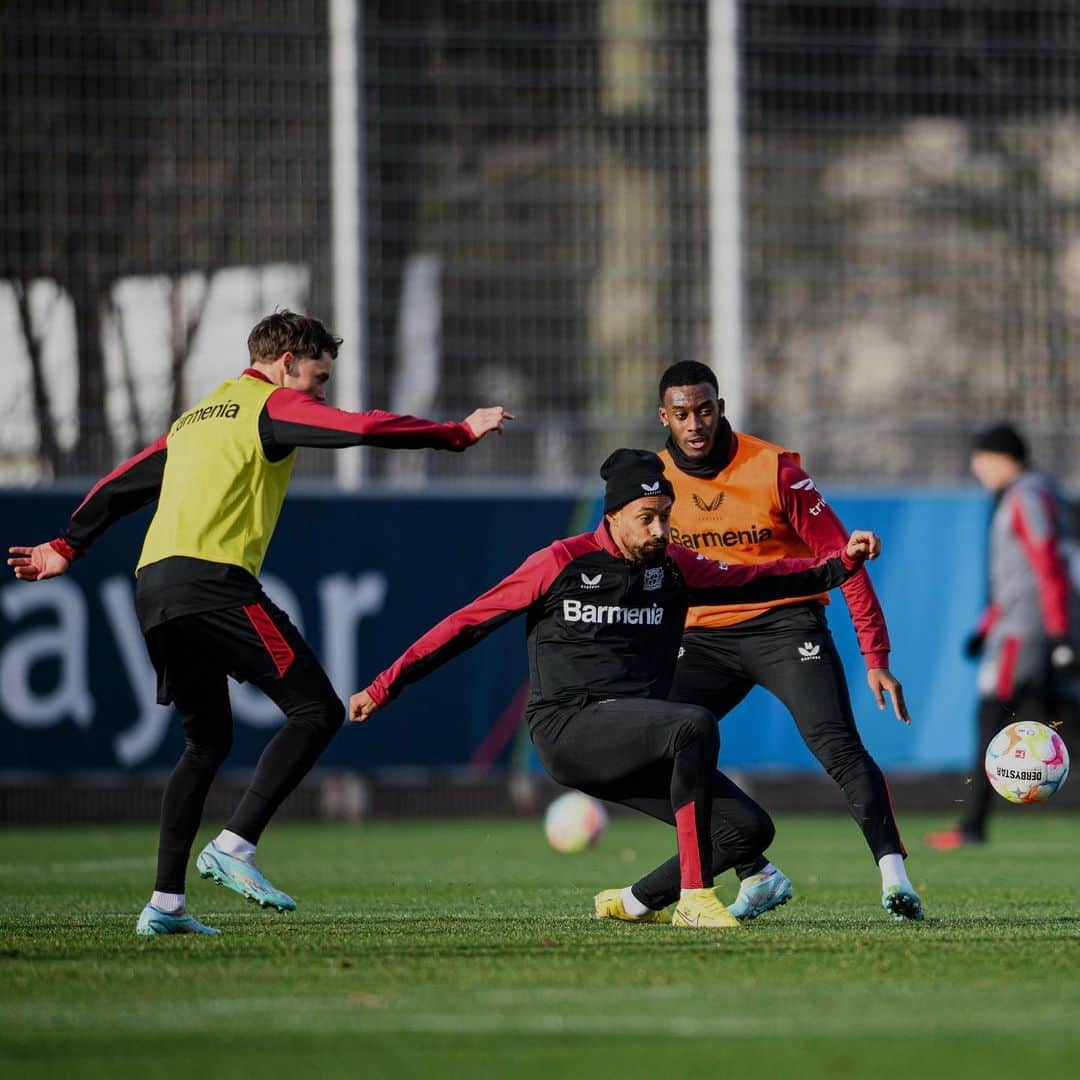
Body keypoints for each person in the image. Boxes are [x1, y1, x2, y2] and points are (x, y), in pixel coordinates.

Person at [7, 310, 512, 937]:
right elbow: (361, 428)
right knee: (318, 711)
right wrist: (455, 434)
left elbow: (122, 481)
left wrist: (68, 544)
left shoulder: (196, 417)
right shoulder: (269, 406)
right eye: (318, 378)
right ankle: (235, 846)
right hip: (213, 584)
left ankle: (165, 905)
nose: (321, 393)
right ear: (285, 364)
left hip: (154, 588)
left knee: (206, 742)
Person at [350, 448, 881, 928]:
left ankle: (632, 901)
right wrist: (385, 685)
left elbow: (762, 579)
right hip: (567, 728)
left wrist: (840, 564)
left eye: (665, 518)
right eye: (646, 519)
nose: (658, 530)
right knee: (692, 724)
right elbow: (467, 624)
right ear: (613, 516)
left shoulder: (674, 567)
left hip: (634, 733)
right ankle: (695, 897)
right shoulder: (560, 562)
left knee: (746, 830)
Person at [655, 361, 922, 922]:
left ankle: (895, 878)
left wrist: (876, 656)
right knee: (654, 745)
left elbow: (843, 559)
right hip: (704, 636)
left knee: (837, 747)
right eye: (682, 414)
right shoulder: (653, 482)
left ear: (720, 408)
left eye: (704, 410)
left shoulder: (776, 471)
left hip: (786, 625)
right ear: (665, 418)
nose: (695, 424)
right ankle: (755, 872)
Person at [926, 423, 1077, 850]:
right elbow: (1019, 577)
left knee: (991, 717)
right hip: (1022, 626)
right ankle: (971, 824)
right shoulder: (1038, 492)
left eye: (980, 460)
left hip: (1023, 634)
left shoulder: (1026, 497)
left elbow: (1046, 565)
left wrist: (1059, 632)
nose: (977, 469)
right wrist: (985, 625)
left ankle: (971, 826)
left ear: (999, 458)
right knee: (1058, 714)